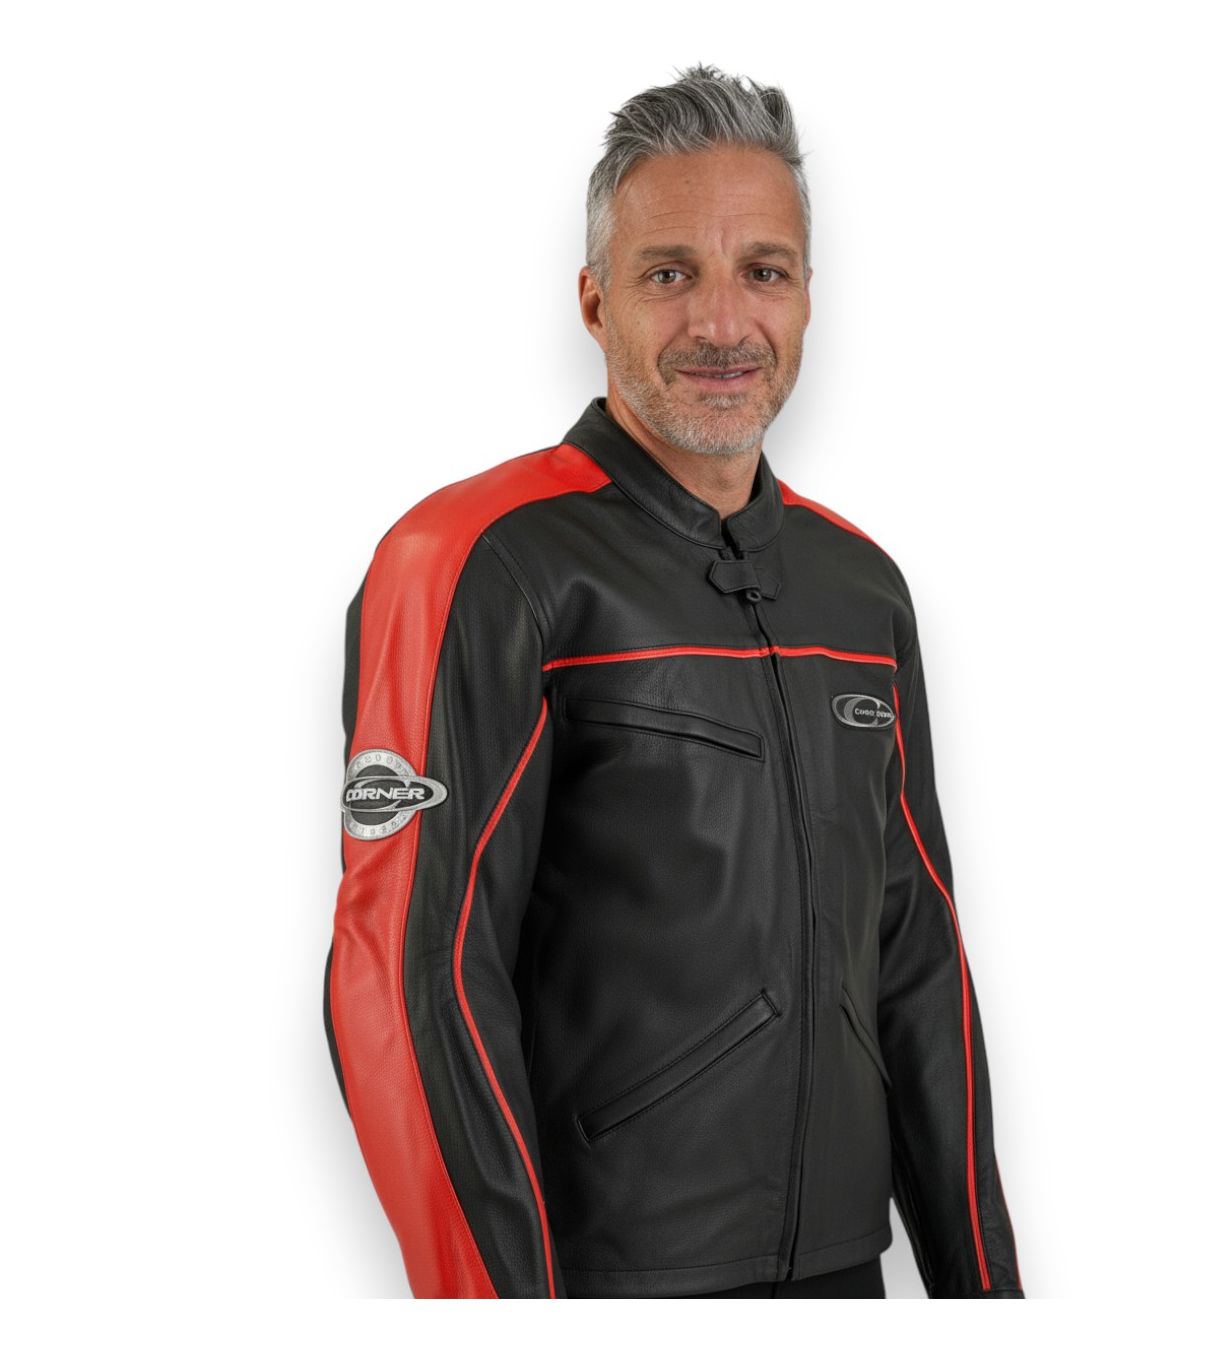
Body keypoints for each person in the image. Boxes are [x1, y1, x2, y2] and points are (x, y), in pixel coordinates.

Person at [323, 62, 1024, 1300]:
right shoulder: (477, 561)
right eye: (668, 274)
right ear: (595, 302)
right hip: (607, 1283)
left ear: (807, 297)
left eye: (764, 270)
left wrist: (990, 1300)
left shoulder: (860, 591)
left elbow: (917, 958)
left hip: (845, 1279)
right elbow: (408, 970)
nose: (722, 323)